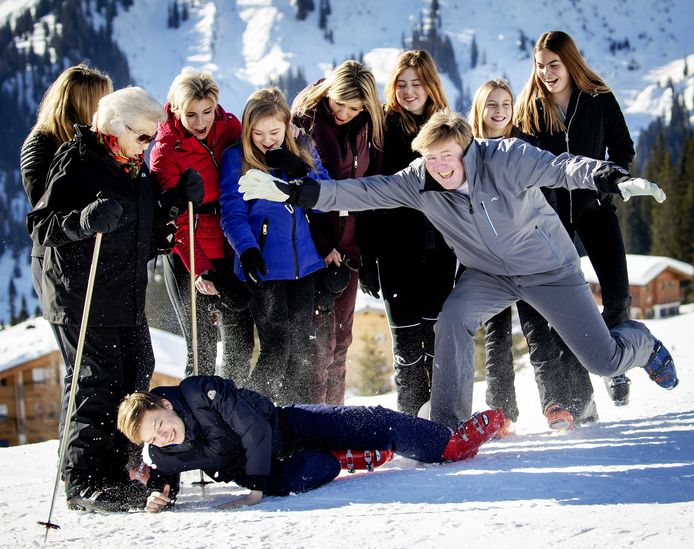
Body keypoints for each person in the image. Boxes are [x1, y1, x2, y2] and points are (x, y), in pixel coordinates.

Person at [237, 109, 677, 430]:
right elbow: (365, 191)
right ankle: (448, 425)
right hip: (488, 274)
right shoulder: (421, 179)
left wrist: (610, 177)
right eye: (431, 158)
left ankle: (643, 343)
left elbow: (560, 167)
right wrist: (296, 194)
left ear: (466, 149)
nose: (440, 167)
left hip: (549, 270)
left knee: (603, 361)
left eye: (447, 156)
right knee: (453, 320)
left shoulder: (504, 158)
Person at [27, 86, 203, 513]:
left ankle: (120, 468)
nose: (148, 146)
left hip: (122, 287)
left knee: (136, 372)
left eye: (152, 138)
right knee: (97, 382)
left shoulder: (132, 166)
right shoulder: (79, 162)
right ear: (114, 127)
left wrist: (175, 203)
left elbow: (140, 227)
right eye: (143, 137)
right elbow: (41, 226)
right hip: (80, 291)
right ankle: (84, 481)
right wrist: (83, 221)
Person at [116, 375, 505, 512]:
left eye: (159, 425)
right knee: (321, 468)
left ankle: (447, 444)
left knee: (372, 420)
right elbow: (164, 480)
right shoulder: (163, 452)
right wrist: (157, 498)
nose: (162, 437)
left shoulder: (199, 391)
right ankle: (343, 457)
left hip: (283, 426)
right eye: (152, 438)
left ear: (164, 404)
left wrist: (253, 486)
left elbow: (255, 428)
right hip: (270, 473)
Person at [516, 31, 637, 413]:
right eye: (540, 66)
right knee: (568, 305)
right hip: (551, 219)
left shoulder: (598, 98)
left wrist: (610, 180)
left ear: (570, 62)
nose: (547, 73)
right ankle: (580, 389)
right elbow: (518, 161)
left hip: (595, 210)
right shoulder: (530, 108)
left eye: (554, 64)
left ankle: (613, 364)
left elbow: (622, 146)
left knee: (617, 295)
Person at [469, 79, 586, 434]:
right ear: (479, 109)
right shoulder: (467, 152)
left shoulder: (523, 148)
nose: (500, 110)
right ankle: (501, 412)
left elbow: (543, 203)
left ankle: (556, 403)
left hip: (528, 255)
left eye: (505, 103)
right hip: (487, 259)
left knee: (538, 328)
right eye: (492, 104)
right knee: (497, 335)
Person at [360, 50, 456, 416]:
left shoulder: (447, 128)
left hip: (440, 251)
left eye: (417, 83)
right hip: (394, 250)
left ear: (431, 85)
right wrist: (367, 258)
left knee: (436, 344)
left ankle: (443, 420)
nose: (409, 90)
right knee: (407, 349)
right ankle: (411, 424)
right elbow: (368, 191)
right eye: (402, 84)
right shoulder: (382, 128)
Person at [219, 88, 327, 404]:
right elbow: (232, 211)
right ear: (247, 130)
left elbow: (326, 200)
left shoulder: (302, 148)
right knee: (277, 347)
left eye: (274, 132)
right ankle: (252, 411)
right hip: (264, 268)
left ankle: (295, 416)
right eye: (258, 133)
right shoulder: (236, 158)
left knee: (301, 348)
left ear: (286, 126)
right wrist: (247, 249)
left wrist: (299, 170)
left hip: (304, 267)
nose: (267, 140)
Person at [150, 67, 254, 383]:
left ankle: (235, 412)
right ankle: (198, 422)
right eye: (191, 114)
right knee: (203, 350)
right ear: (177, 110)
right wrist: (199, 268)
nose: (200, 123)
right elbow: (175, 220)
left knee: (241, 343)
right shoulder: (166, 150)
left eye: (207, 112)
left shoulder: (230, 128)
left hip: (227, 245)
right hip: (189, 256)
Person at [291, 60, 384, 404]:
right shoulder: (306, 124)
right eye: (338, 103)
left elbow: (371, 190)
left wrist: (359, 249)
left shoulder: (370, 129)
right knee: (318, 342)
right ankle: (313, 418)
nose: (343, 112)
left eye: (354, 106)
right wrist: (325, 244)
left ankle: (335, 418)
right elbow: (300, 191)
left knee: (342, 341)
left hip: (349, 251)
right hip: (314, 249)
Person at [20, 64, 113, 302]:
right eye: (103, 102)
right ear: (83, 104)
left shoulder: (95, 142)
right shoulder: (42, 143)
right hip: (59, 264)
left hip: (96, 259)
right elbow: (44, 207)